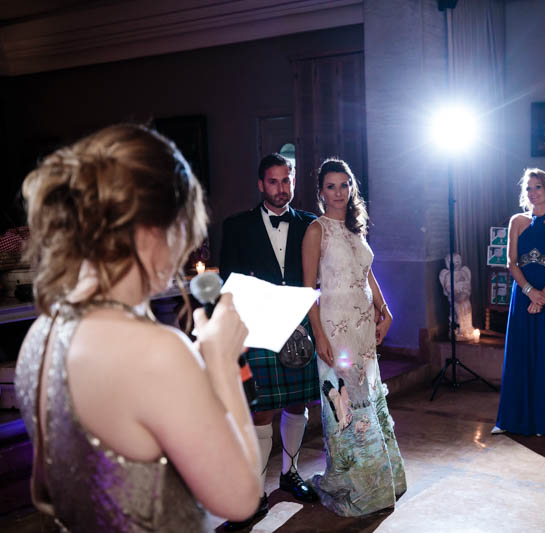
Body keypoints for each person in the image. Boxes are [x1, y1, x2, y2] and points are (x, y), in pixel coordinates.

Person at [14, 124, 262, 531]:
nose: (185, 247)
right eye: (184, 228)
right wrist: (221, 362)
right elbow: (241, 497)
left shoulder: (42, 331)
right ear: (153, 230)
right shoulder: (156, 351)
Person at [219, 153, 319, 529]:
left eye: (286, 181)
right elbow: (228, 282)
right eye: (274, 182)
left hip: (299, 325)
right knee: (260, 411)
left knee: (297, 403)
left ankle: (290, 474)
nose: (281, 189)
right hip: (258, 326)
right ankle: (255, 493)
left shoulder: (310, 224)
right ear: (261, 185)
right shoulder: (237, 226)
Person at [302, 158, 406, 516]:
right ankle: (357, 484)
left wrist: (385, 309)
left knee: (368, 396)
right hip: (335, 328)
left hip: (362, 328)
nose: (339, 192)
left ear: (352, 188)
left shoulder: (354, 227)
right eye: (331, 186)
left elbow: (368, 273)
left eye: (344, 185)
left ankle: (383, 476)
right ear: (321, 192)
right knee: (346, 403)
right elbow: (308, 291)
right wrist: (319, 335)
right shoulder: (316, 230)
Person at [493, 168, 545, 437]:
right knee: (519, 354)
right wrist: (530, 292)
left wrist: (543, 295)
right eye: (528, 188)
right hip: (523, 295)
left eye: (538, 187)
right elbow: (511, 262)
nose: (532, 192)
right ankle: (511, 420)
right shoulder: (517, 221)